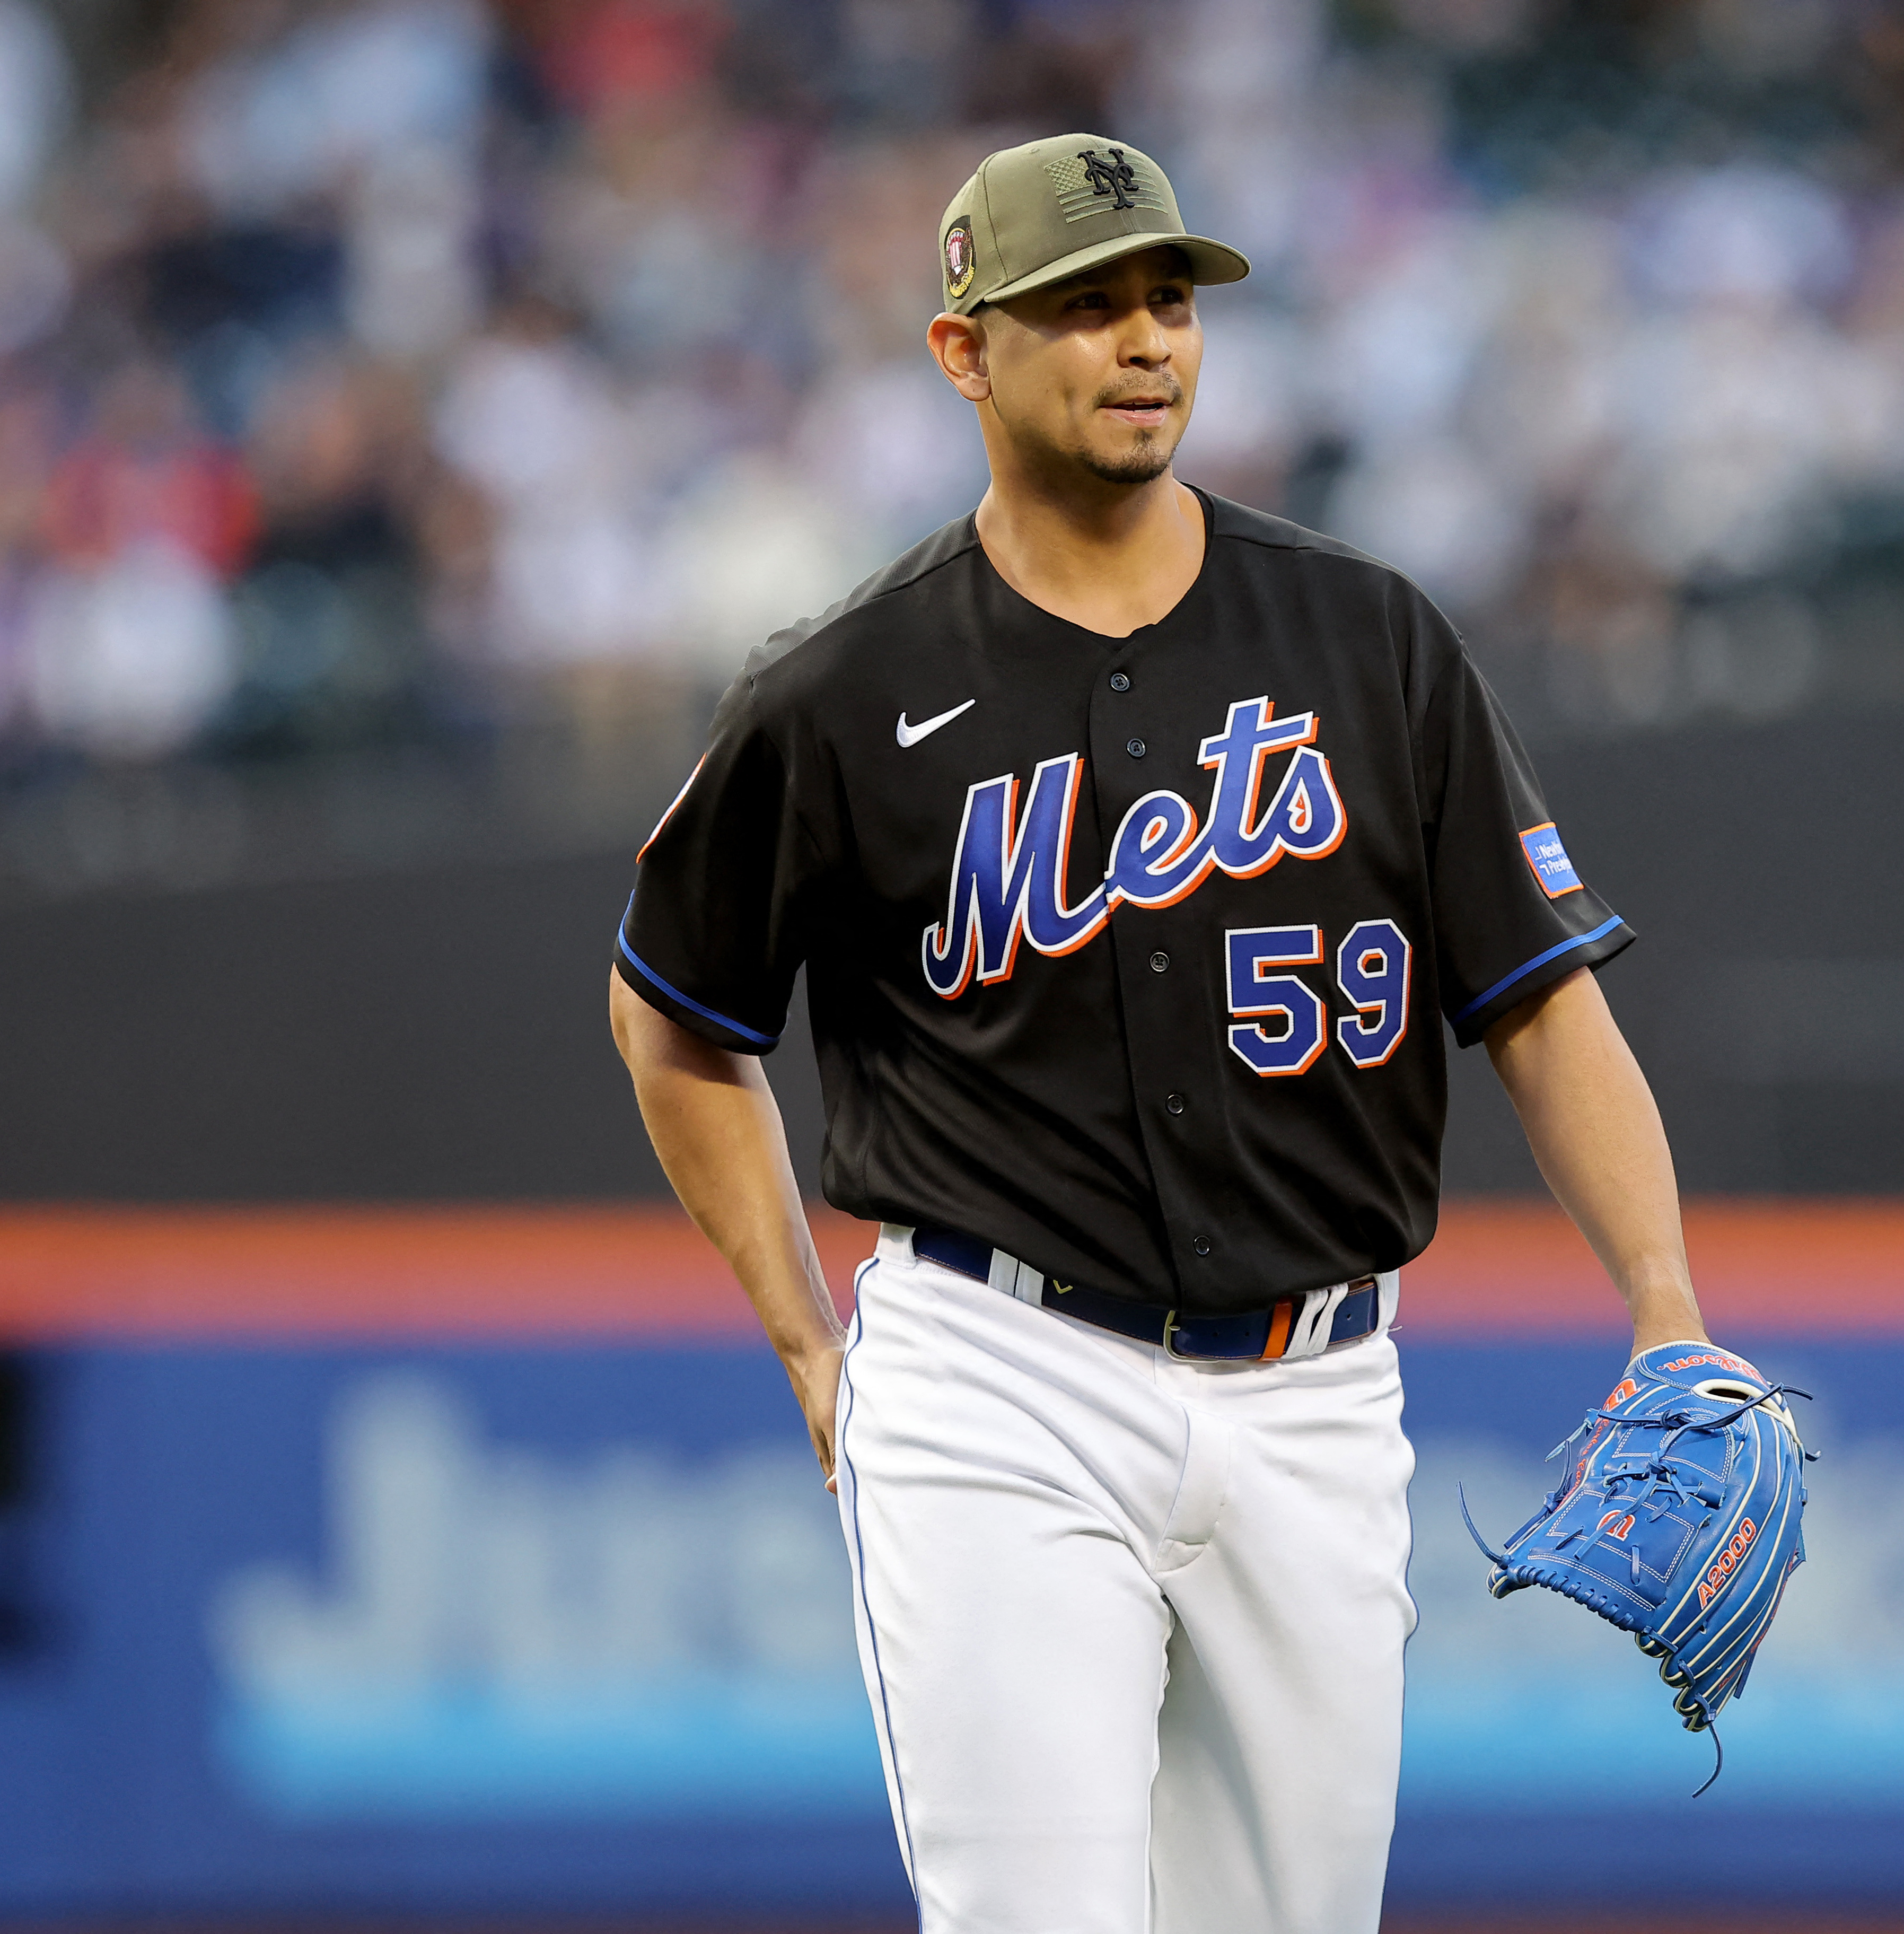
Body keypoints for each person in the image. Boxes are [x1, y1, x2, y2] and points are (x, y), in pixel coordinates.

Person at [608, 133, 1715, 1934]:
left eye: (1167, 301)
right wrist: (812, 1346)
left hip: (1323, 1392)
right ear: (964, 350)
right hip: (999, 1383)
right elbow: (673, 1019)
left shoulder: (1368, 639)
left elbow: (1541, 1001)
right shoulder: (844, 690)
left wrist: (1670, 1313)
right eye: (1085, 307)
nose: (1145, 342)